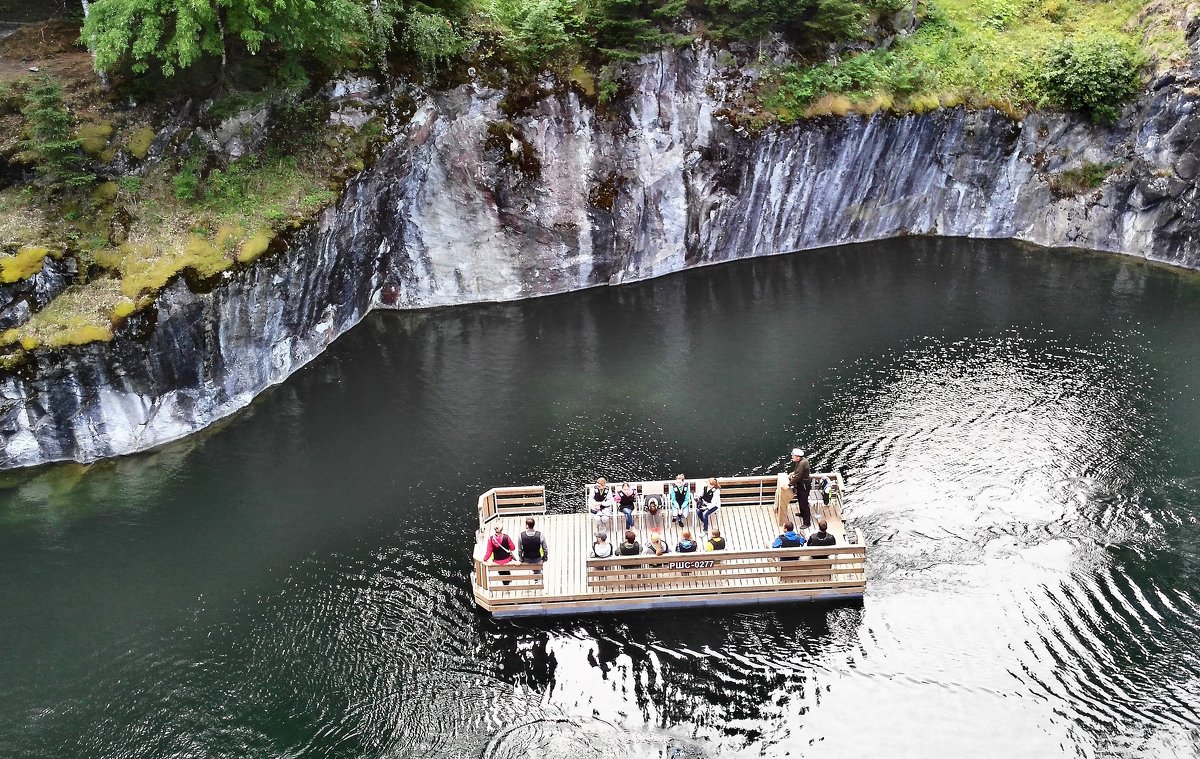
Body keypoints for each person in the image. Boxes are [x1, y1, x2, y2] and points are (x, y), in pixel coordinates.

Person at [788, 448, 812, 528]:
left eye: (793, 456)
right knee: (800, 499)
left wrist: (789, 483)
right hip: (801, 484)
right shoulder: (801, 461)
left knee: (804, 503)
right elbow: (798, 472)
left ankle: (807, 522)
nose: (792, 457)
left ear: (798, 457)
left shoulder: (802, 463)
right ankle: (802, 513)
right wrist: (793, 473)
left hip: (804, 485)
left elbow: (798, 476)